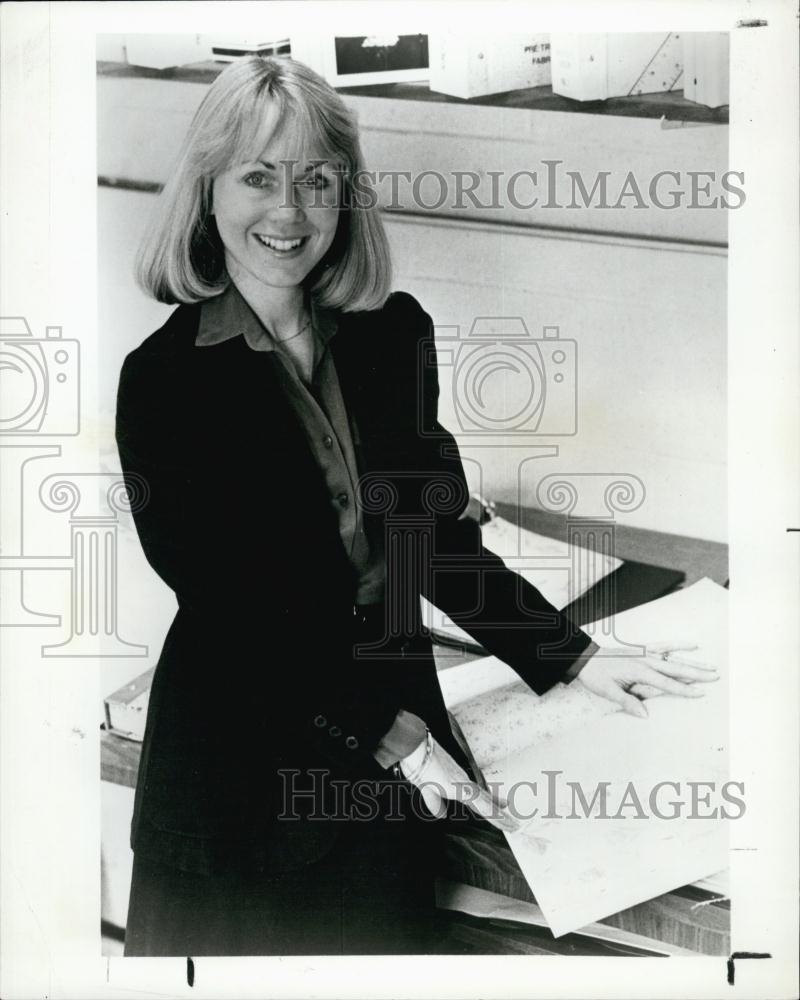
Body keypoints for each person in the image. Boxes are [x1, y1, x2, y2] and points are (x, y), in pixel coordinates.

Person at [115, 54, 718, 957]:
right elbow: (232, 611)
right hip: (242, 758)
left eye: (318, 180)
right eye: (258, 176)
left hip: (387, 734)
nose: (289, 211)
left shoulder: (390, 335)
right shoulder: (164, 383)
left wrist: (572, 656)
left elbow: (429, 537)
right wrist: (391, 735)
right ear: (206, 192)